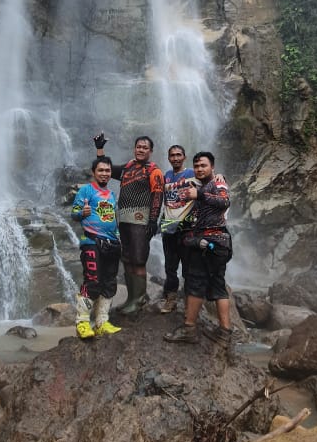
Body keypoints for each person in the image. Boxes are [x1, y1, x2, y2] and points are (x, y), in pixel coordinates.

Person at [164, 150, 234, 347]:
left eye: (203, 165)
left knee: (195, 284)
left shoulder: (216, 183)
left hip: (210, 243)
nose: (199, 169)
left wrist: (199, 194)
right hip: (214, 243)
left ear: (212, 167)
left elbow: (224, 201)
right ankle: (224, 332)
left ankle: (189, 329)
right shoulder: (201, 184)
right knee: (217, 286)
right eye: (196, 166)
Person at [93, 132, 164, 315]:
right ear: (134, 149)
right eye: (138, 147)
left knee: (138, 260)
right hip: (123, 220)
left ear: (151, 151)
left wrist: (153, 220)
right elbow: (107, 169)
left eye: (145, 147)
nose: (141, 150)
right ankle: (131, 299)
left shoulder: (153, 171)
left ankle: (139, 300)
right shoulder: (128, 167)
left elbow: (157, 196)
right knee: (127, 259)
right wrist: (100, 150)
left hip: (141, 221)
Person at [70, 156, 123, 339]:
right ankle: (82, 323)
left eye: (108, 171)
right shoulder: (85, 190)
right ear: (94, 172)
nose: (105, 174)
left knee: (109, 282)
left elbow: (113, 220)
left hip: (111, 243)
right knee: (92, 281)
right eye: (101, 170)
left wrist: (117, 240)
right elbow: (74, 213)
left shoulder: (111, 194)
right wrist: (81, 212)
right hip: (92, 242)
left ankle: (102, 322)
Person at [159, 144, 197, 313]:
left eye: (178, 155)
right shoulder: (166, 175)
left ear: (184, 157)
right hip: (168, 228)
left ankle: (190, 302)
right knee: (170, 267)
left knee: (188, 267)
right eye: (172, 155)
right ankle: (171, 299)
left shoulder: (192, 173)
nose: (175, 158)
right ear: (168, 158)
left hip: (186, 227)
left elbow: (210, 181)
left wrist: (219, 176)